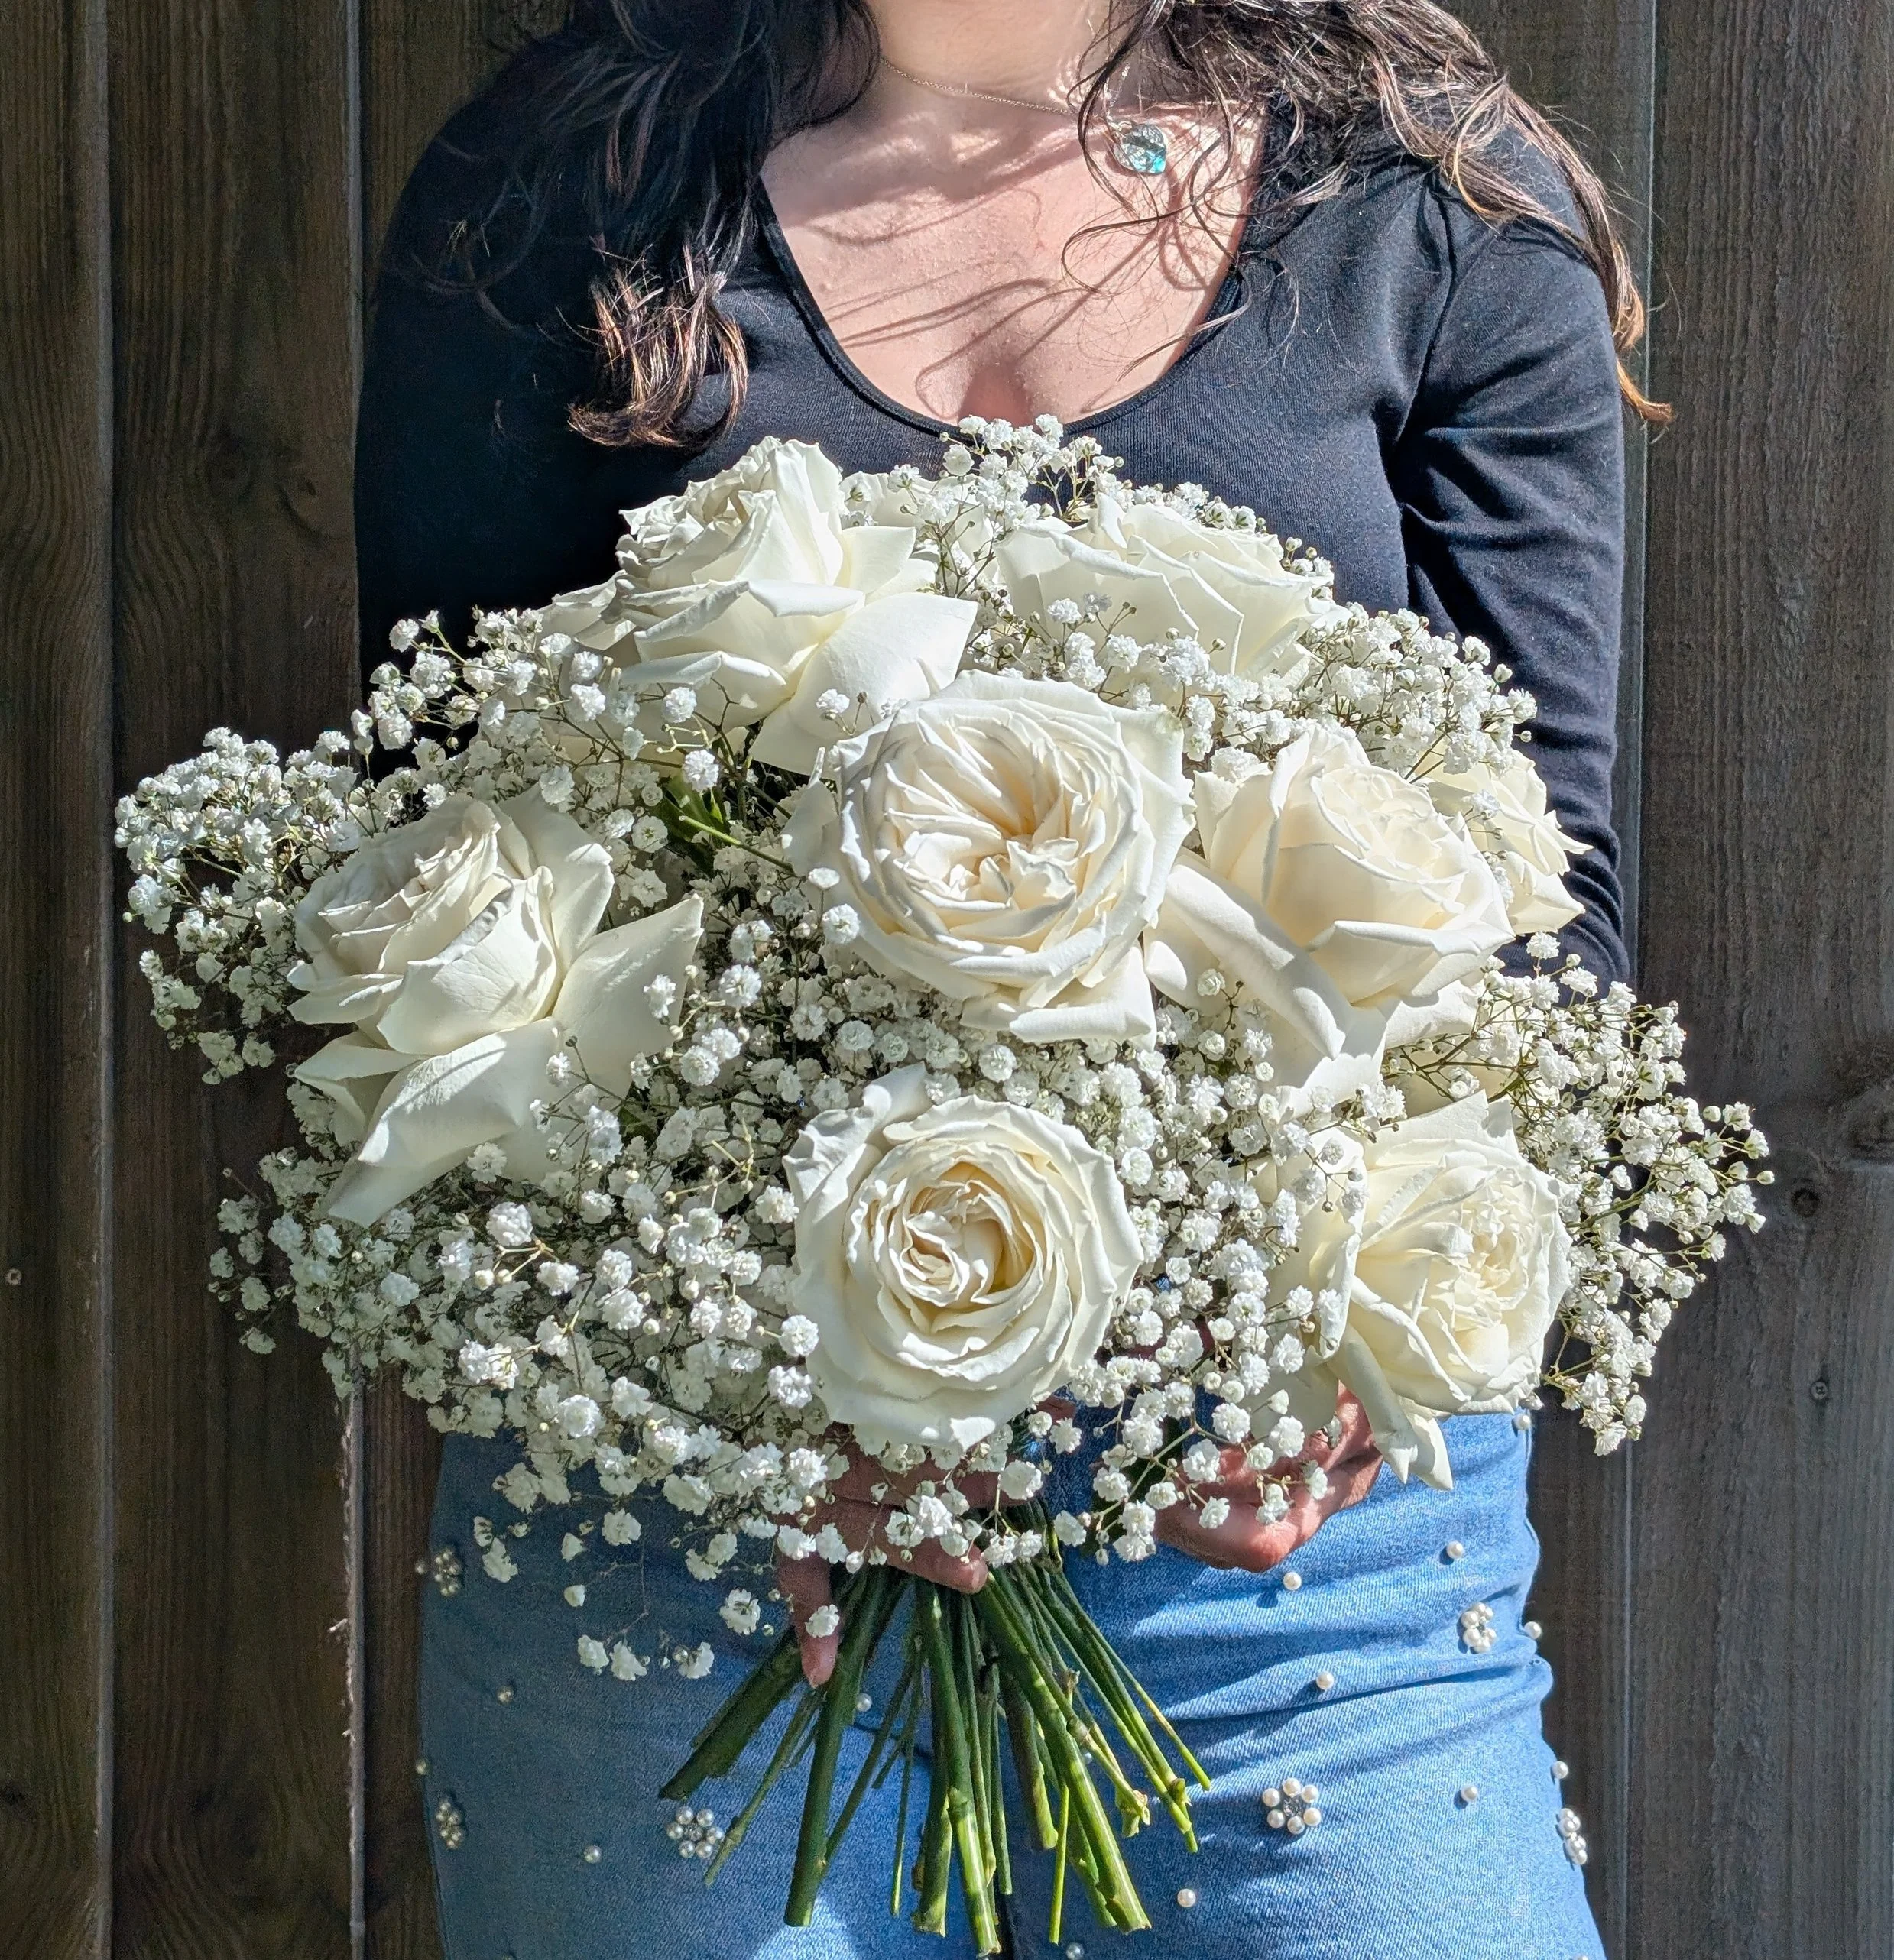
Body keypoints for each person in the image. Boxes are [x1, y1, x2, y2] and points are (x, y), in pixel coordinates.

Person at [356, 4, 1639, 1953]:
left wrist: (1331, 1328)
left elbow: (1549, 903)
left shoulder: (1432, 201)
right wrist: (748, 1385)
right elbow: (438, 862)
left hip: (1286, 1527)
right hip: (698, 1517)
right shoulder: (571, 184)